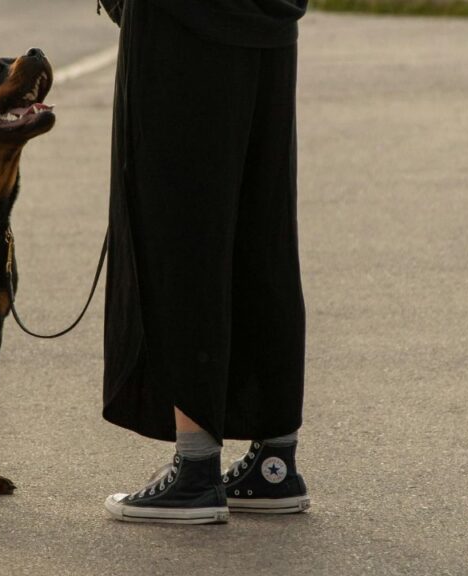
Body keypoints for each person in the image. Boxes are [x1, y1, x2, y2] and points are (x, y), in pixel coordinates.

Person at [100, 0, 311, 524]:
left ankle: (196, 471)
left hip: (181, 25)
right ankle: (274, 463)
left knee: (181, 235)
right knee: (262, 231)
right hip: (269, 20)